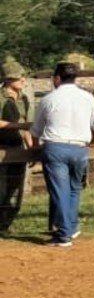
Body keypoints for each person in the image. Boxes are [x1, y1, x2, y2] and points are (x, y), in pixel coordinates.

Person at [31, 63, 94, 248]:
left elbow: (36, 130)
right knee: (74, 188)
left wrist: (33, 147)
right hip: (79, 148)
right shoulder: (87, 97)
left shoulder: (48, 99)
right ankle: (71, 226)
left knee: (59, 190)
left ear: (57, 78)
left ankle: (63, 235)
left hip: (55, 148)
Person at [0, 62, 32, 234]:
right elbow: (22, 124)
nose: (22, 80)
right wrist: (20, 125)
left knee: (15, 188)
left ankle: (5, 224)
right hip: (2, 146)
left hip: (18, 147)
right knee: (1, 186)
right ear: (8, 78)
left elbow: (25, 124)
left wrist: (31, 147)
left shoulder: (24, 98)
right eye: (19, 76)